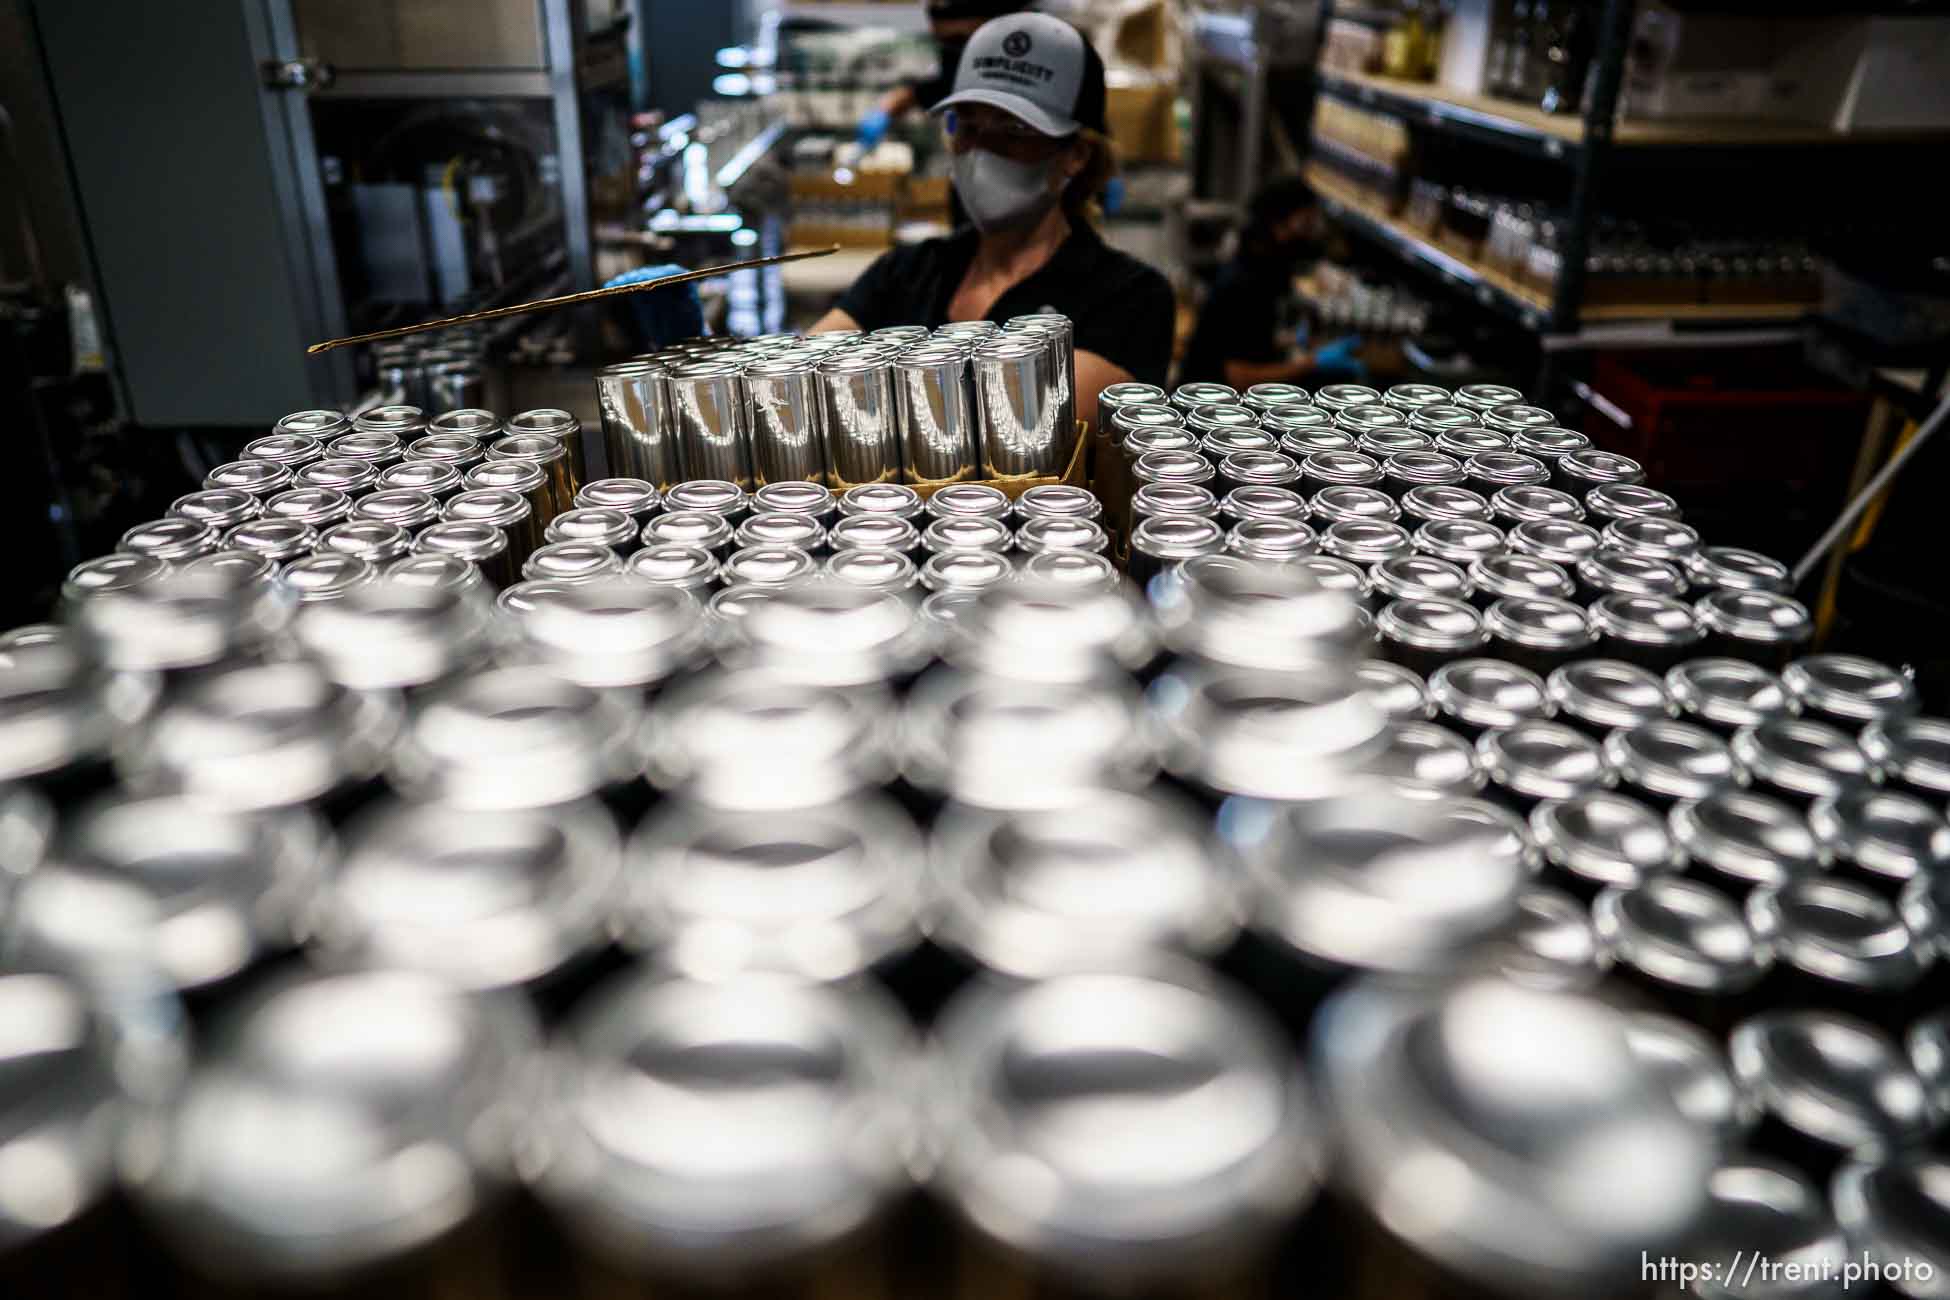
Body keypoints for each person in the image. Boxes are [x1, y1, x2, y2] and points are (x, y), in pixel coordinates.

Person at [812, 12, 1175, 434]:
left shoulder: (1129, 297)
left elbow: (1027, 422)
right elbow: (804, 378)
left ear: (1075, 155)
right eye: (967, 125)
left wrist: (858, 391)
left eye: (1014, 130)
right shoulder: (906, 272)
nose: (981, 152)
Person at [1179, 175, 1363, 390]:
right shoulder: (1245, 286)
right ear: (1278, 225)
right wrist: (1312, 364)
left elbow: (1248, 342)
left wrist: (1290, 341)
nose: (1310, 234)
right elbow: (1238, 377)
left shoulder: (1260, 272)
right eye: (1305, 223)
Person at [856, 0, 1038, 150]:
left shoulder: (1036, 63)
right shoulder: (957, 55)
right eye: (942, 41)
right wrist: (885, 109)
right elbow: (940, 87)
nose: (954, 50)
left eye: (959, 39)